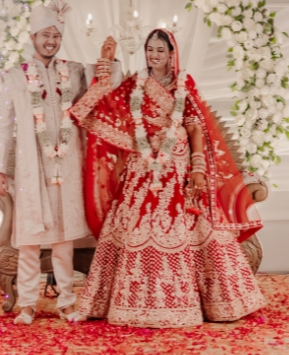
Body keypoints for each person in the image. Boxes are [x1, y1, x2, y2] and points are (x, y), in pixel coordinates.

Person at [69, 28, 265, 328]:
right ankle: (131, 303)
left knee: (191, 228)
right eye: (150, 49)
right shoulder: (135, 84)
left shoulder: (184, 84)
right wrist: (105, 65)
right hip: (142, 168)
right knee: (137, 227)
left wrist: (197, 168)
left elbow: (195, 127)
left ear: (172, 54)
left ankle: (209, 303)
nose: (154, 55)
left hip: (178, 167)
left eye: (161, 50)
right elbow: (93, 108)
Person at [0, 0, 119, 325]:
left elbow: (106, 83)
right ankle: (28, 305)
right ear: (32, 36)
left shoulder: (73, 72)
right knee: (31, 238)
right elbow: (3, 126)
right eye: (45, 35)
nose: (51, 41)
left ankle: (67, 302)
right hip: (32, 166)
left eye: (56, 36)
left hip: (67, 164)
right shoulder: (13, 77)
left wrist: (108, 58)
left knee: (64, 238)